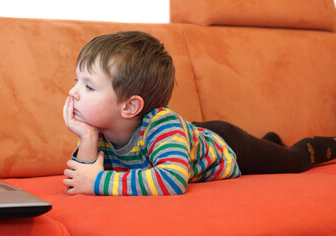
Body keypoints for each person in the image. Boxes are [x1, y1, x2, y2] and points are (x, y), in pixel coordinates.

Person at [62, 31, 336, 196]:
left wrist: (99, 182)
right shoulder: (96, 128)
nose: (73, 92)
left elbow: (171, 180)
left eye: (88, 86)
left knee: (294, 161)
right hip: (189, 138)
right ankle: (270, 140)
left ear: (130, 106)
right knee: (270, 149)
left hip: (228, 144)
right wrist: (86, 138)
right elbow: (79, 184)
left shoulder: (162, 126)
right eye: (76, 80)